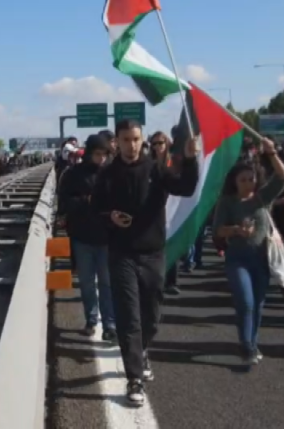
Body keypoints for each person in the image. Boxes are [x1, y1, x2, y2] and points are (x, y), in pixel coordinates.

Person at [91, 119, 199, 406]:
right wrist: (108, 218)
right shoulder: (107, 174)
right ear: (117, 141)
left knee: (150, 317)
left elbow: (186, 188)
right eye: (126, 139)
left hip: (152, 253)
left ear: (143, 140)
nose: (132, 145)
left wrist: (189, 159)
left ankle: (144, 348)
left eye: (136, 139)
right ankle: (134, 378)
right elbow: (94, 211)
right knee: (129, 318)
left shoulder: (156, 169)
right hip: (121, 254)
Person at [212, 138, 284, 367]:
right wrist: (236, 230)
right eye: (242, 180)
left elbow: (283, 177)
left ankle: (252, 343)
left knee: (258, 303)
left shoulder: (261, 198)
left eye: (251, 179)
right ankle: (245, 345)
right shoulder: (227, 202)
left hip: (261, 259)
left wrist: (272, 152)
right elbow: (217, 230)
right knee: (245, 301)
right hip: (238, 260)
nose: (247, 183)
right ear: (234, 182)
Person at [57, 134, 116, 341]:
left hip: (107, 238)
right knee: (87, 282)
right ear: (90, 153)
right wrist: (86, 200)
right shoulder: (74, 174)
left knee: (107, 283)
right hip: (82, 237)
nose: (101, 158)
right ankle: (91, 320)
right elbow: (64, 202)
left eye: (104, 154)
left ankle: (110, 324)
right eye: (97, 154)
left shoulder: (112, 174)